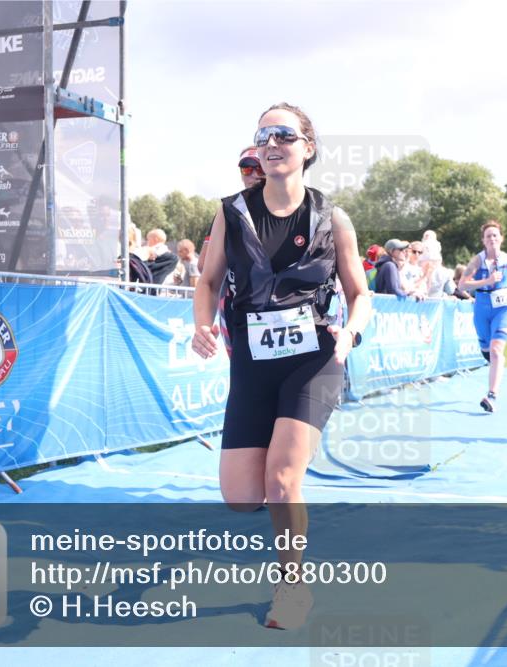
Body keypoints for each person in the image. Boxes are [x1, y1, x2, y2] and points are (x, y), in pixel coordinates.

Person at [191, 103, 371, 630]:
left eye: (284, 135)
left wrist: (350, 333)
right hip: (252, 363)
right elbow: (207, 281)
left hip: (313, 359)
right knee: (241, 497)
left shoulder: (332, 218)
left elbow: (360, 294)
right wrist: (202, 324)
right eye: (263, 135)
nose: (272, 143)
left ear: (307, 148)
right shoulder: (231, 213)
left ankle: (292, 586)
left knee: (282, 479)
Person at [459, 220, 507, 413]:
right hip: (482, 308)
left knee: (497, 350)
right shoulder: (477, 261)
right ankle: (495, 365)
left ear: (501, 238)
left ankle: (491, 395)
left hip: (503, 309)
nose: (492, 239)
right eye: (488, 236)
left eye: (495, 235)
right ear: (483, 240)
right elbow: (462, 285)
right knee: (487, 351)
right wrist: (487, 281)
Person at [197, 146, 265, 273]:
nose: (255, 175)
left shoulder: (293, 206)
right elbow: (203, 264)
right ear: (241, 174)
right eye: (247, 169)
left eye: (261, 168)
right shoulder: (229, 209)